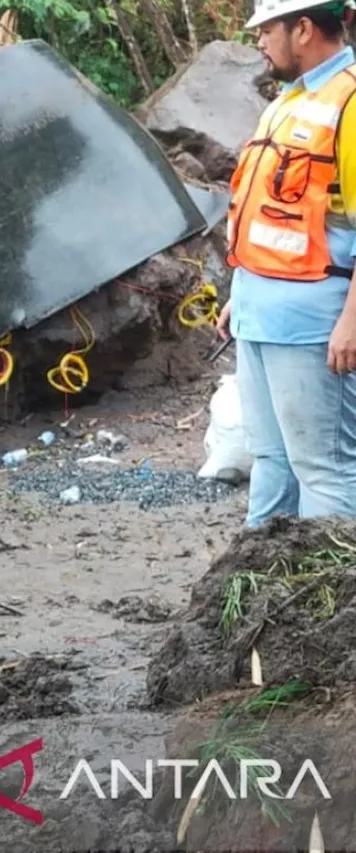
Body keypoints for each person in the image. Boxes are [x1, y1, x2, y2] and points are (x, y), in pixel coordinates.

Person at [216, 0, 356, 528]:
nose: (258, 41)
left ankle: (333, 604)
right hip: (261, 310)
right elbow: (276, 214)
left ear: (302, 28)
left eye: (266, 29)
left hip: (315, 320)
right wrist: (241, 291)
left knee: (326, 470)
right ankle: (254, 598)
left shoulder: (349, 103)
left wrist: (351, 321)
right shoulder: (289, 101)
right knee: (272, 461)